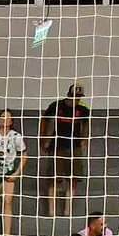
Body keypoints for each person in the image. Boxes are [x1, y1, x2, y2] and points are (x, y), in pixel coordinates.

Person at [39, 82, 89, 216]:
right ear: (69, 95)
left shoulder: (83, 109)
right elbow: (45, 121)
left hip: (74, 147)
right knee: (55, 178)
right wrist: (44, 140)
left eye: (78, 97)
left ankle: (68, 211)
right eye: (74, 96)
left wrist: (84, 141)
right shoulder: (56, 106)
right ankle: (52, 211)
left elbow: (85, 126)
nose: (76, 99)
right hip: (57, 146)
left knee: (73, 179)